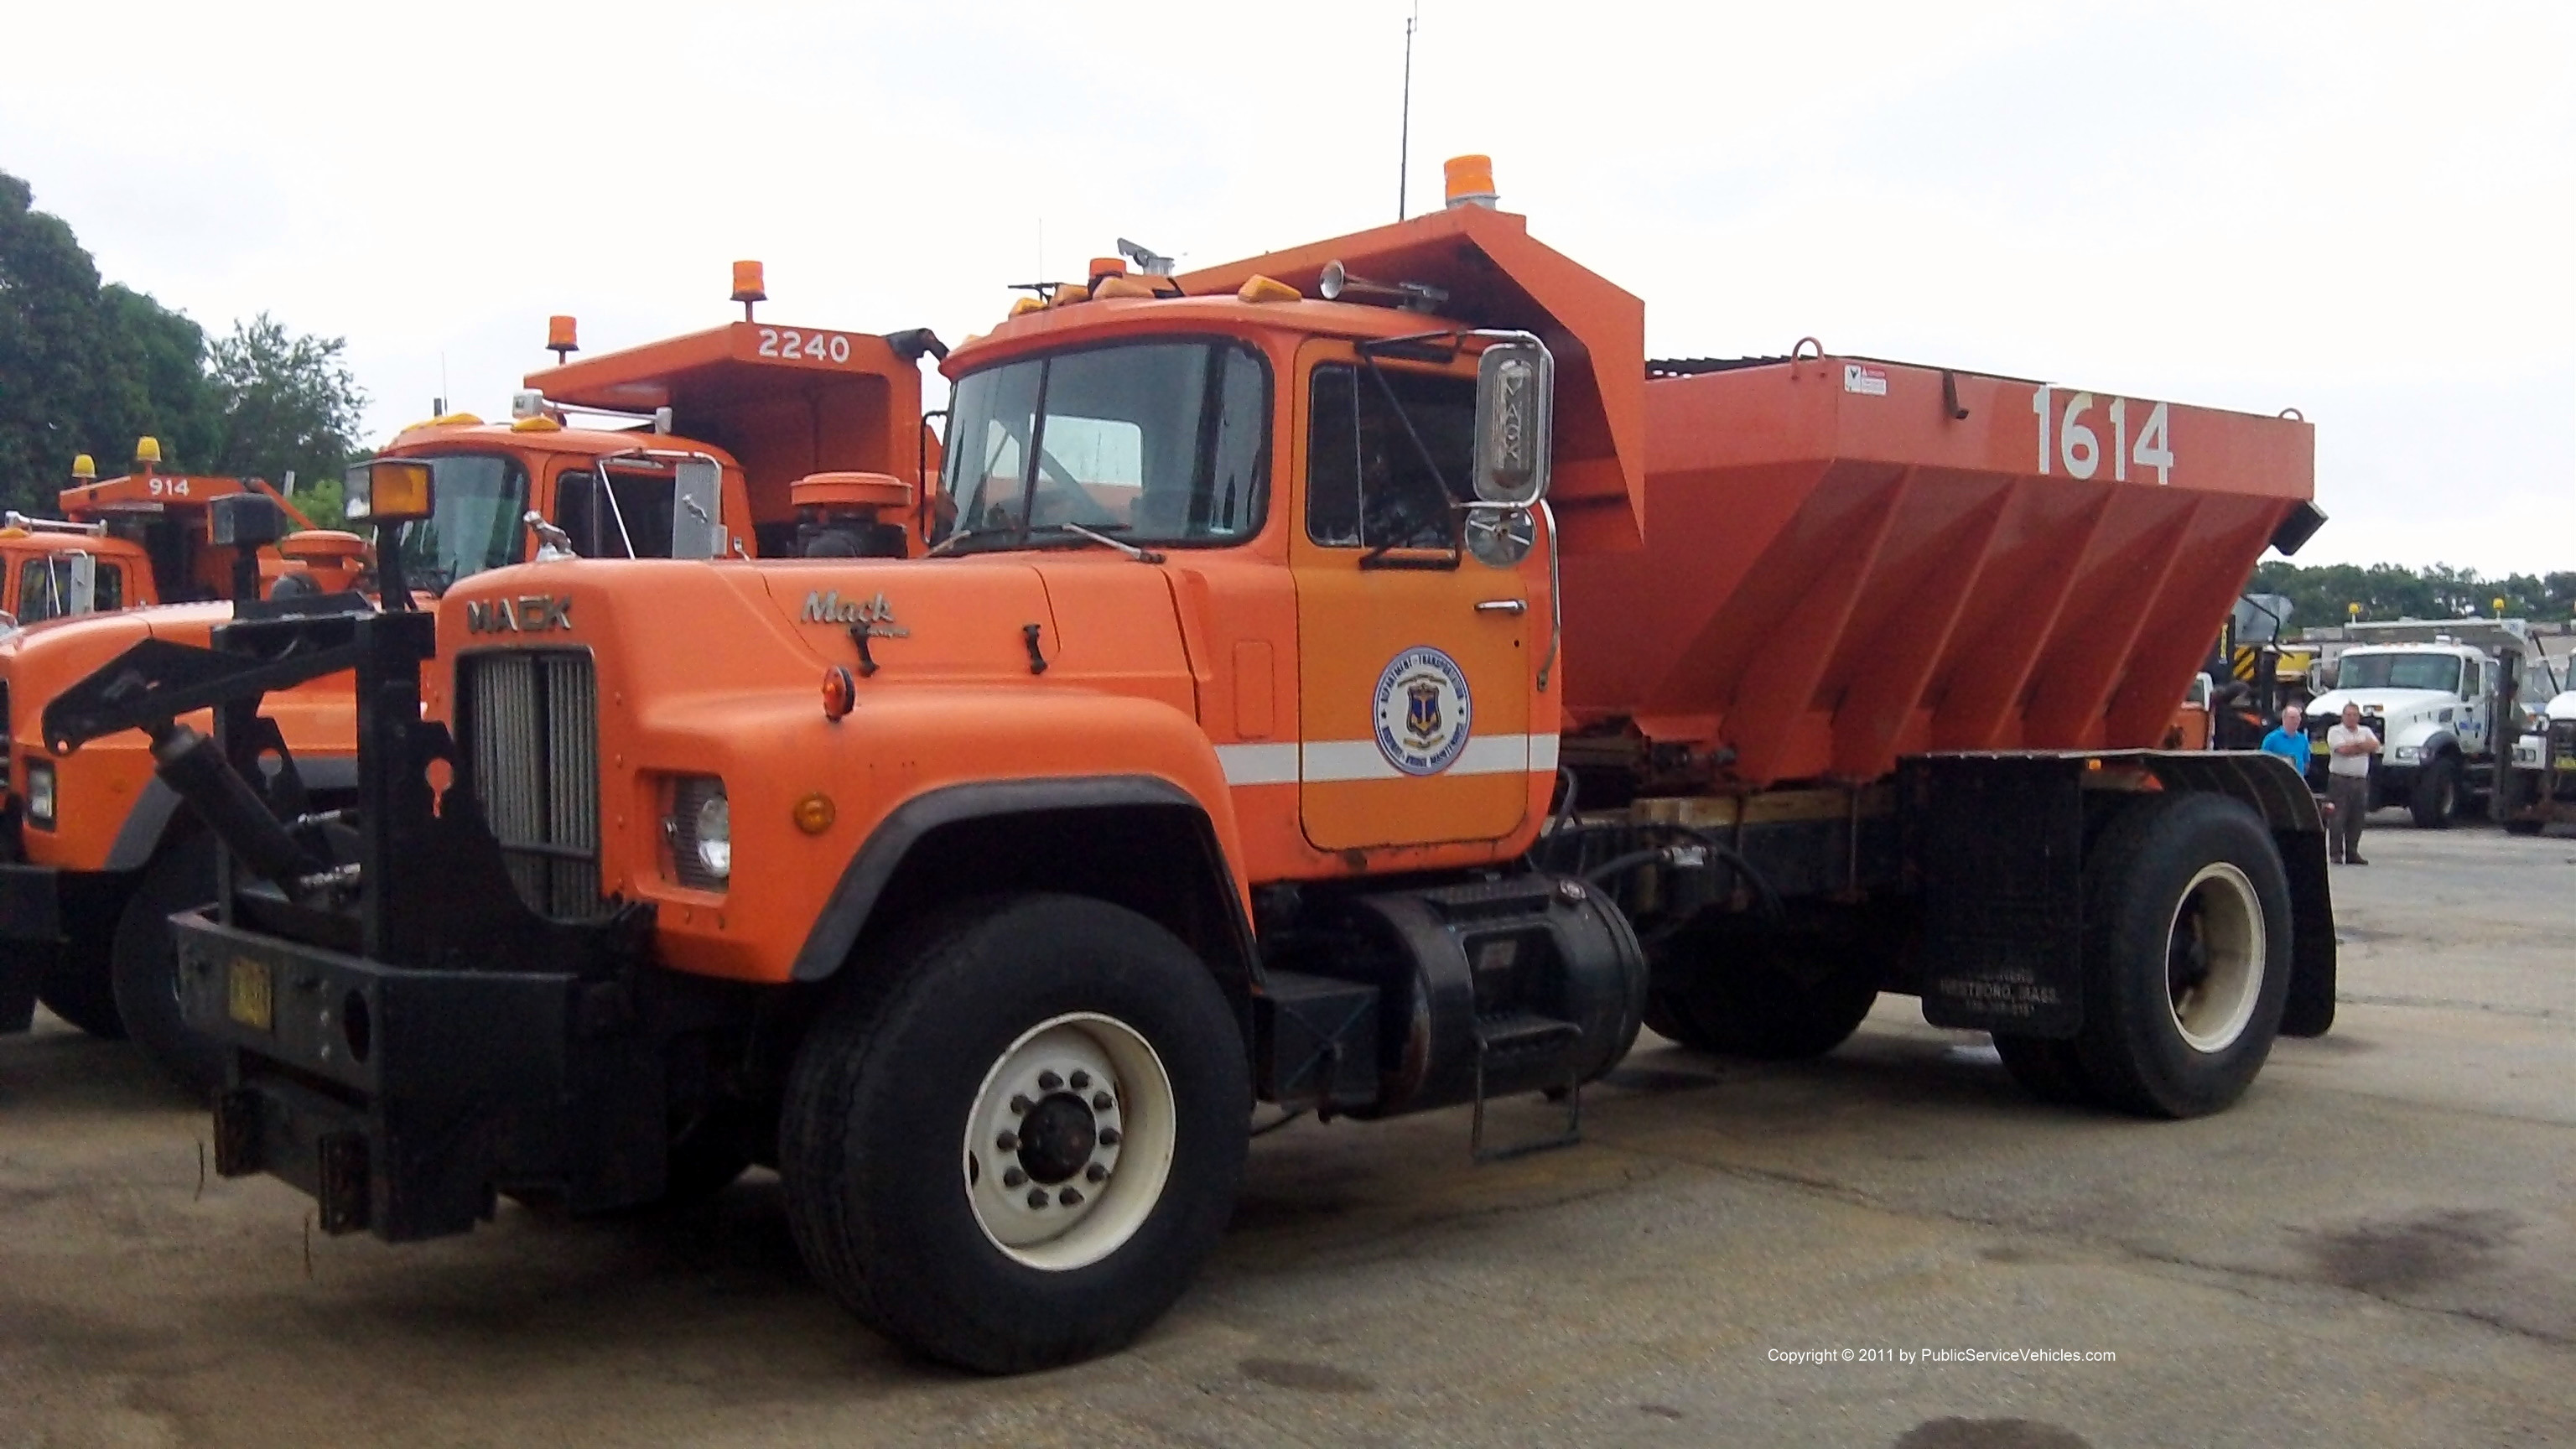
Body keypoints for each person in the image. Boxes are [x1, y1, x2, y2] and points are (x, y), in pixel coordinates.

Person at [2324, 703, 2381, 865]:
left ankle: (2352, 852)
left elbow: (2375, 745)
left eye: (2355, 715)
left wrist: (2355, 747)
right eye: (2348, 715)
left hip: (2360, 781)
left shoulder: (2366, 731)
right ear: (2343, 716)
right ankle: (2336, 853)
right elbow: (2342, 750)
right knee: (2337, 818)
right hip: (2340, 780)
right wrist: (2363, 747)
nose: (2351, 718)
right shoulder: (2335, 731)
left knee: (2357, 818)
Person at [2259, 704, 2311, 776]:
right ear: (2284, 719)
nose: (2296, 721)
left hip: (2297, 783)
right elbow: (2262, 762)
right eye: (2292, 718)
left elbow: (2306, 762)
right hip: (2278, 782)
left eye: (2298, 718)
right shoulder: (2271, 739)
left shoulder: (2303, 739)